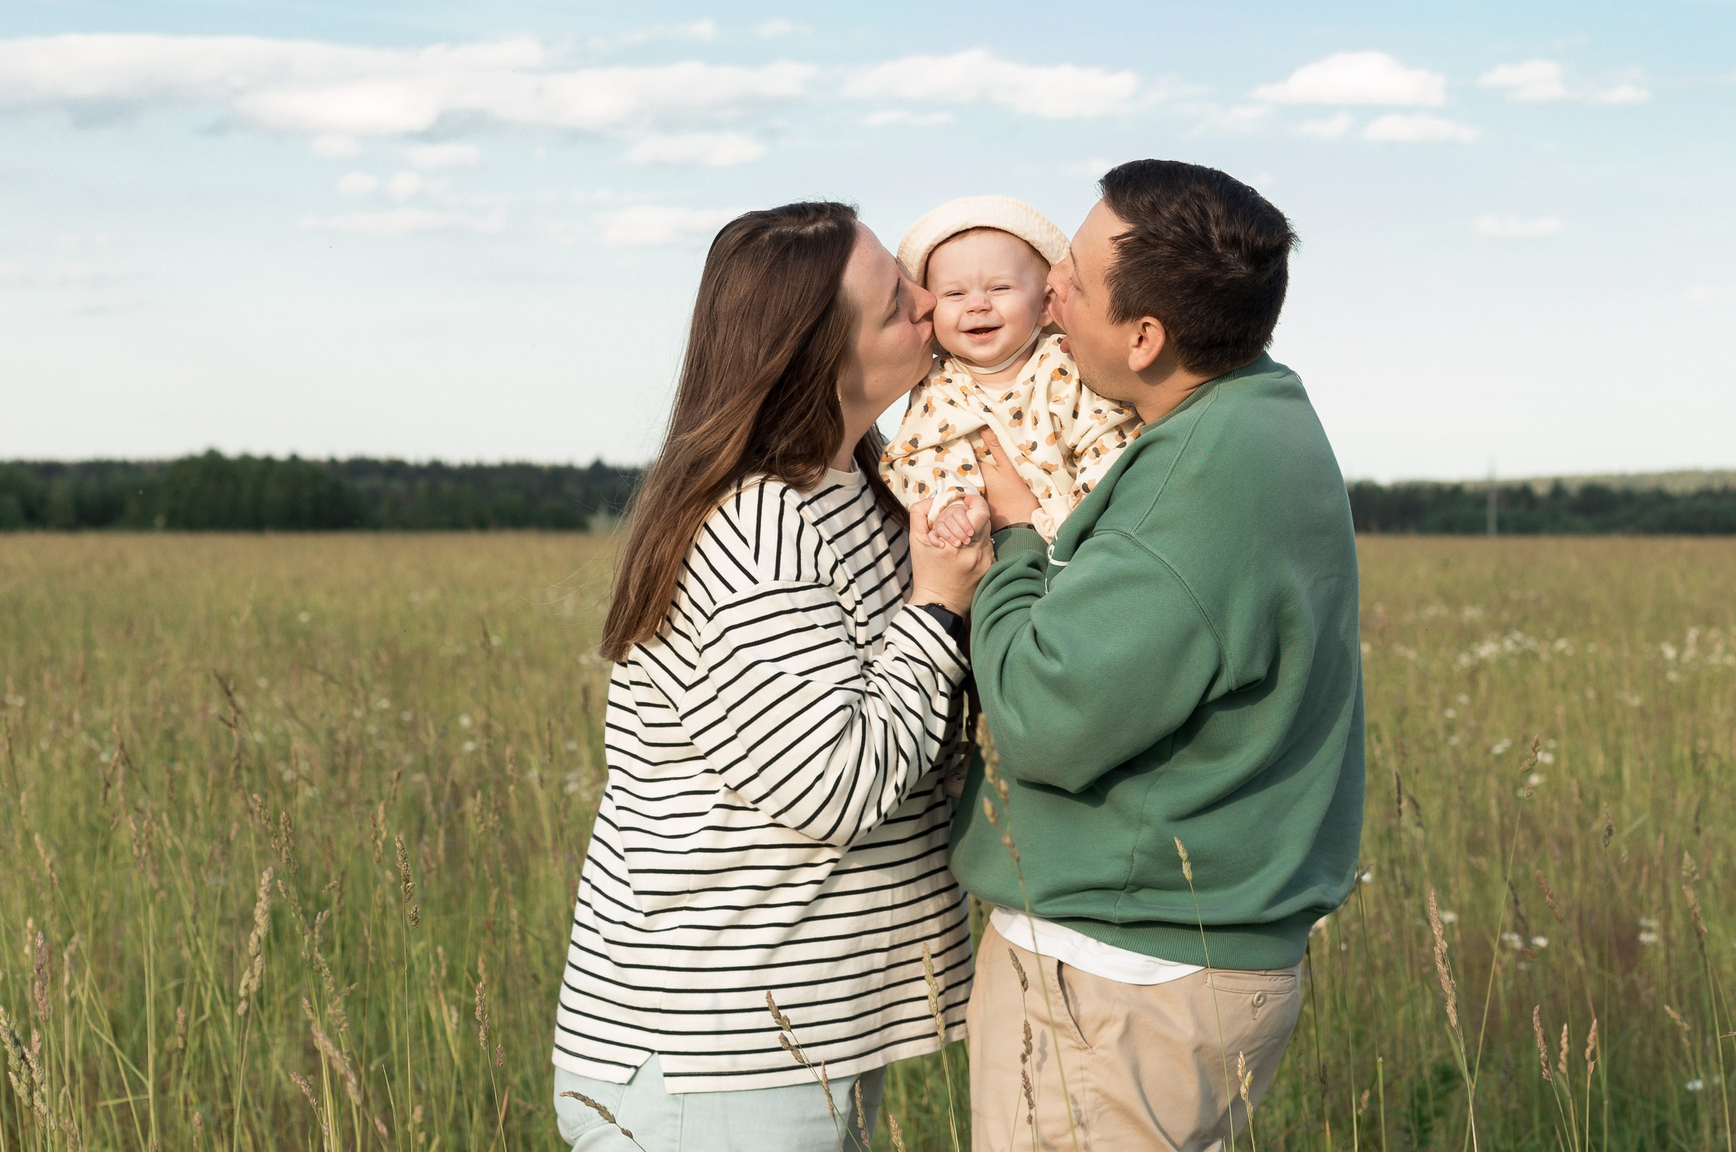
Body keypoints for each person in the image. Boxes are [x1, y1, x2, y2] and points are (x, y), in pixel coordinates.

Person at [946, 159, 1366, 1152]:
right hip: (1178, 970)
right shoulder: (1258, 413)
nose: (1048, 290)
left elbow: (1046, 719)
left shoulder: (1190, 483)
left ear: (1146, 337)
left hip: (1115, 983)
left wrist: (1010, 548)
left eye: (1075, 282)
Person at [549, 202, 983, 1152]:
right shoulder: (756, 526)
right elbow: (832, 786)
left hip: (789, 1042)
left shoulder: (859, 486)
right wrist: (940, 605)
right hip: (715, 1055)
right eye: (895, 301)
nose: (929, 301)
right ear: (814, 358)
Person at [878, 195, 1140, 543]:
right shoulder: (936, 385)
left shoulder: (1066, 365)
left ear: (1046, 305)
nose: (977, 305)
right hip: (992, 548)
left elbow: (1108, 442)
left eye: (1000, 288)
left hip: (1088, 536)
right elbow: (925, 458)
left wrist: (1075, 519)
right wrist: (951, 506)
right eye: (954, 294)